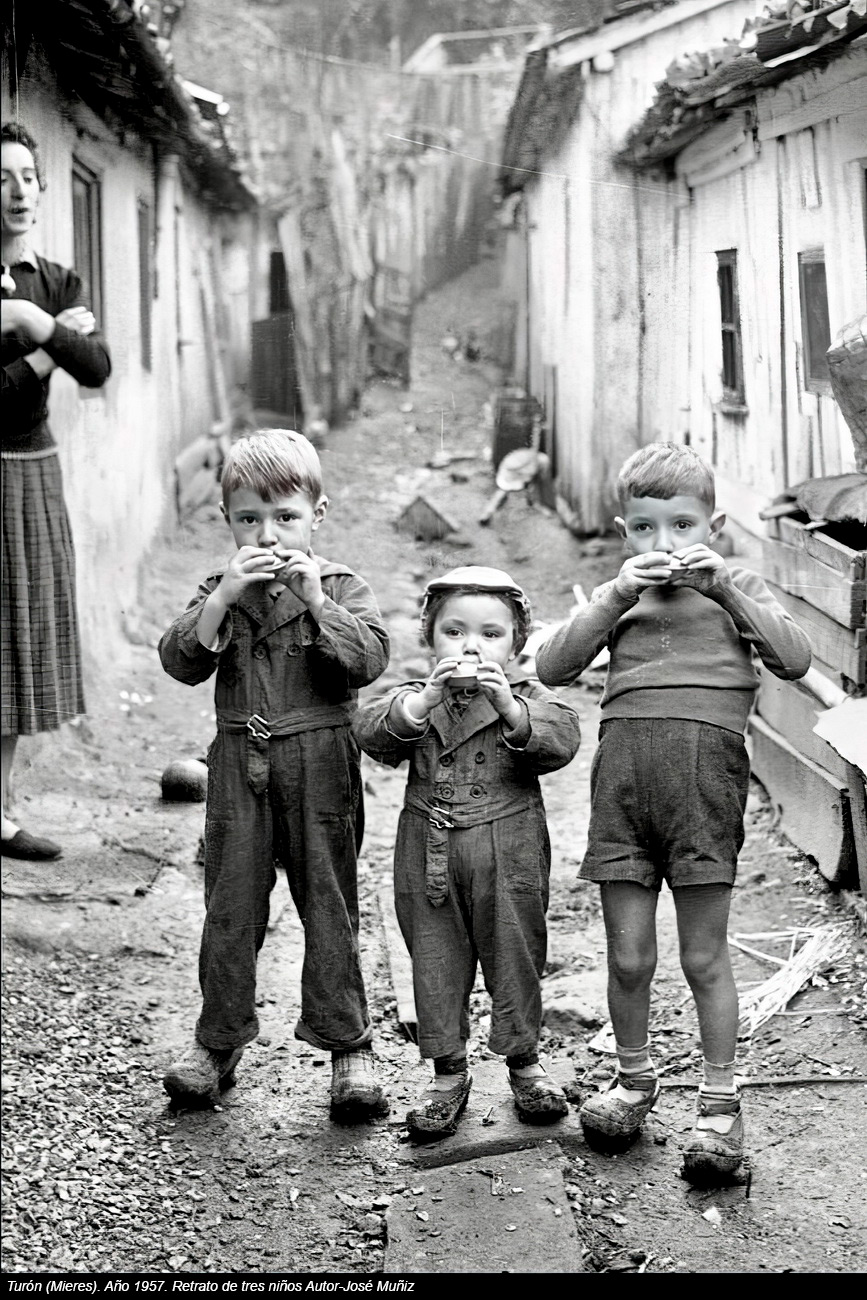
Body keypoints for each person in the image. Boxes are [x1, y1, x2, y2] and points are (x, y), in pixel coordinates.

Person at [536, 442, 811, 1180]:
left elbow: (795, 659)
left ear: (712, 527)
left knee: (701, 956)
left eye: (682, 525)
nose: (665, 543)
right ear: (624, 531)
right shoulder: (620, 598)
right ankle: (632, 1081)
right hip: (623, 785)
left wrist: (727, 591)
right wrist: (613, 595)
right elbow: (553, 666)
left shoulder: (735, 586)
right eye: (646, 528)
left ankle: (719, 1103)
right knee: (628, 956)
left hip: (703, 787)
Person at [158, 429, 390, 1118]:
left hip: (320, 762)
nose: (268, 534)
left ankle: (348, 1046)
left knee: (329, 901)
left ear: (317, 514)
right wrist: (222, 600)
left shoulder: (341, 586)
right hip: (238, 763)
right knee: (230, 905)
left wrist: (317, 602)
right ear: (227, 520)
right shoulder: (220, 588)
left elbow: (369, 661)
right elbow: (180, 661)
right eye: (249, 519)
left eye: (285, 516)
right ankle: (217, 1041)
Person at [354, 566, 581, 1138]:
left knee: (515, 950)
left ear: (516, 644)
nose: (472, 646)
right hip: (428, 849)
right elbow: (371, 731)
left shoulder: (527, 698)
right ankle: (447, 1073)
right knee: (434, 956)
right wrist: (423, 701)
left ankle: (525, 1063)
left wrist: (510, 708)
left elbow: (561, 740)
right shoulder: (416, 697)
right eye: (454, 632)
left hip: (509, 849)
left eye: (491, 634)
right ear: (430, 638)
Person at [1, 123, 111, 861]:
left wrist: (30, 320)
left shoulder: (56, 282)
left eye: (27, 177)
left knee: (18, 639)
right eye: (1, 178)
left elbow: (97, 367)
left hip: (35, 469)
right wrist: (50, 347)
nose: (18, 192)